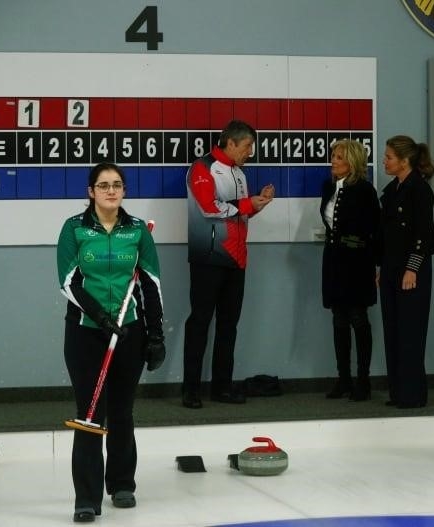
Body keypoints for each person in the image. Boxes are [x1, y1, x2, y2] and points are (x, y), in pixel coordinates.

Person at [57, 162, 165, 522]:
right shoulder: (74, 229)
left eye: (117, 184)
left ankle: (122, 484)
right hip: (86, 332)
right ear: (91, 192)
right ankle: (85, 498)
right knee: (90, 414)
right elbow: (69, 282)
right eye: (103, 185)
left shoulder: (137, 231)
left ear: (124, 191)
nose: (111, 190)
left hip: (128, 331)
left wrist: (155, 334)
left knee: (121, 411)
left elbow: (150, 283)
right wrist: (101, 317)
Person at [182, 120, 275, 409]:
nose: (251, 152)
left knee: (228, 326)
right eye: (247, 146)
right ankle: (191, 390)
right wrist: (248, 204)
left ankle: (222, 387)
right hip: (208, 258)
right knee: (199, 323)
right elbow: (210, 208)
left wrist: (257, 205)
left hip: (237, 259)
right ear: (231, 143)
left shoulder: (240, 173)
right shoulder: (202, 167)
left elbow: (238, 216)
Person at [377, 135, 434, 409]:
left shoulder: (419, 190)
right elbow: (386, 234)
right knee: (392, 330)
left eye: (389, 157)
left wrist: (412, 268)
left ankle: (413, 393)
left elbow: (422, 234)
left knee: (411, 331)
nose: (384, 161)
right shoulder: (392, 190)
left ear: (405, 161)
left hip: (412, 269)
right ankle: (397, 391)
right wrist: (381, 267)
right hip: (391, 267)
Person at [320, 139, 380, 401]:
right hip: (333, 258)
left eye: (339, 157)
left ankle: (362, 380)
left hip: (357, 261)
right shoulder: (329, 187)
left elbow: (374, 229)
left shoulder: (365, 190)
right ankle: (343, 378)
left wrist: (376, 263)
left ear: (353, 162)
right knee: (338, 319)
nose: (333, 161)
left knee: (358, 317)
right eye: (333, 156)